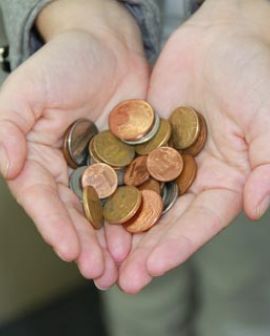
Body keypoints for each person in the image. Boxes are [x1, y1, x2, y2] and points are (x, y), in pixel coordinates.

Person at [1, 0, 270, 335]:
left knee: (246, 283)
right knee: (131, 277)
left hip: (237, 124)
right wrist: (78, 15)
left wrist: (253, 18)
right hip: (113, 44)